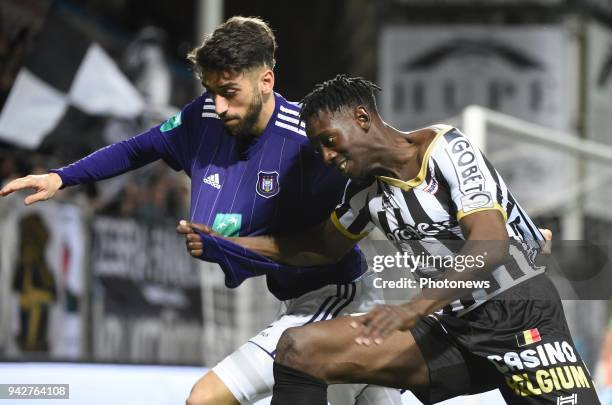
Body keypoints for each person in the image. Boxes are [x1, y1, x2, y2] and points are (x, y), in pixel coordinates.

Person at [0, 18, 402, 405]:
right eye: (211, 91)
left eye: (229, 91)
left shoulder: (308, 142)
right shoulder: (204, 117)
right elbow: (140, 147)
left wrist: (231, 244)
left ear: (266, 80)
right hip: (298, 301)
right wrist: (61, 178)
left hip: (339, 298)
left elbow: (327, 243)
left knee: (205, 397)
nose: (219, 105)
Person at [184, 75, 600, 404]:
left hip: (521, 315)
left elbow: (490, 245)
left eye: (329, 141)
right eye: (318, 149)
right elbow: (318, 247)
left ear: (362, 118)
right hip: (451, 328)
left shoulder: (446, 148)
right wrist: (232, 244)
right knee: (299, 349)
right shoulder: (366, 193)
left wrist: (412, 309)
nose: (327, 156)